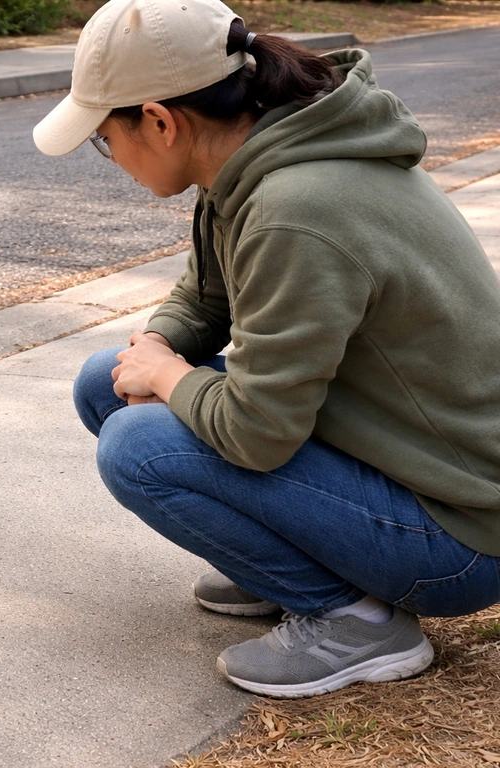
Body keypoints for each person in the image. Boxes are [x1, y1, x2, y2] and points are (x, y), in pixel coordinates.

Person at [33, 0, 500, 698]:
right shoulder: (256, 159)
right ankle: (291, 563)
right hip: (404, 462)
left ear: (160, 121)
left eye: (104, 137)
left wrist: (166, 379)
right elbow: (207, 298)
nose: (109, 158)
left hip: (460, 535)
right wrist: (159, 346)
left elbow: (257, 432)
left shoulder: (296, 209)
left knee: (138, 447)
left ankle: (358, 622)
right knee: (108, 380)